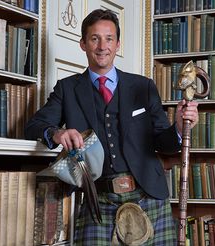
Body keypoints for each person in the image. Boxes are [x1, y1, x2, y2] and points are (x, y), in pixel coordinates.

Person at [25, 9, 199, 245]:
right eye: (94, 38)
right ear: (83, 44)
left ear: (118, 44)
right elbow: (34, 125)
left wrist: (178, 128)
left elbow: (164, 144)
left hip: (149, 196)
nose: (102, 46)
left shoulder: (143, 87)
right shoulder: (67, 89)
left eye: (109, 39)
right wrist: (58, 133)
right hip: (99, 200)